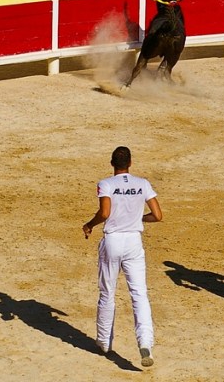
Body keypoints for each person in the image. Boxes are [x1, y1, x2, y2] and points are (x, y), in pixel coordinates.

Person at [82, 146, 163, 367]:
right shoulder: (142, 183)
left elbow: (105, 213)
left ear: (111, 163)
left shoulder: (106, 184)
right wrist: (138, 219)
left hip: (113, 241)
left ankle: (104, 341)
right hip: (134, 242)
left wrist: (89, 225)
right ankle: (145, 341)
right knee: (139, 294)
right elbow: (158, 215)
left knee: (107, 292)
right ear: (130, 163)